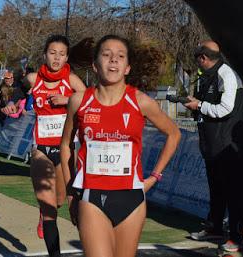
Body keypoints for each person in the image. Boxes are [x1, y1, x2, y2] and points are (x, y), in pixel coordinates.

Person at [60, 35, 181, 257]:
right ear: (96, 66)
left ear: (127, 68)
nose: (113, 60)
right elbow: (66, 145)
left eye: (120, 56)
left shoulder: (141, 101)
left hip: (131, 200)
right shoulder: (79, 100)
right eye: (106, 55)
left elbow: (174, 133)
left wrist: (154, 177)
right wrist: (70, 192)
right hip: (92, 197)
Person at [20, 34, 85, 257]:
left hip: (67, 149)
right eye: (52, 53)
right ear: (45, 54)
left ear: (67, 57)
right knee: (50, 211)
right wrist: (11, 103)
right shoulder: (33, 79)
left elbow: (90, 100)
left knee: (65, 202)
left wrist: (68, 100)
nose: (56, 58)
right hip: (42, 149)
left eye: (61, 54)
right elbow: (16, 90)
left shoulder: (72, 80)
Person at [185, 40, 243, 252]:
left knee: (234, 191)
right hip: (212, 143)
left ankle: (237, 236)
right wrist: (194, 105)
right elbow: (205, 108)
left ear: (203, 58)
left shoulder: (226, 74)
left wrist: (200, 105)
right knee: (217, 189)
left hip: (229, 145)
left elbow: (226, 109)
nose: (197, 63)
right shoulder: (206, 76)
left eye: (198, 59)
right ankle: (214, 227)